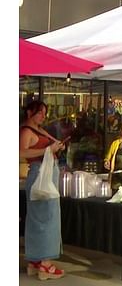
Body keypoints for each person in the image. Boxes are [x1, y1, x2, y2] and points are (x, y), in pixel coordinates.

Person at [20, 101, 67, 280]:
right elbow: (20, 152)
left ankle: (35, 260)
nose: (43, 116)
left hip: (44, 175)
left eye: (44, 113)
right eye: (39, 113)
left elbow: (52, 143)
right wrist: (47, 149)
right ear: (30, 112)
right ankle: (45, 263)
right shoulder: (26, 131)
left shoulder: (38, 130)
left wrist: (56, 146)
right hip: (41, 176)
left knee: (38, 218)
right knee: (48, 218)